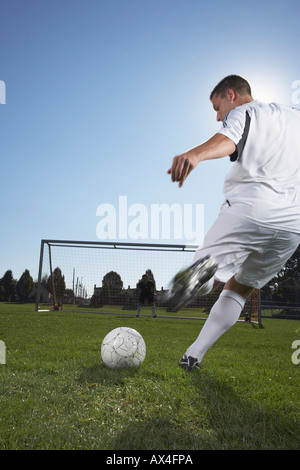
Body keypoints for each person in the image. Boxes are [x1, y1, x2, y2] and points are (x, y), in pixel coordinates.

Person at [168, 74, 300, 370]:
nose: (218, 116)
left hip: (250, 210)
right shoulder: (294, 117)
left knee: (206, 270)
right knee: (241, 287)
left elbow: (229, 139)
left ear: (231, 94)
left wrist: (195, 154)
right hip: (292, 227)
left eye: (217, 107)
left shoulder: (245, 111)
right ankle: (193, 355)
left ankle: (201, 274)